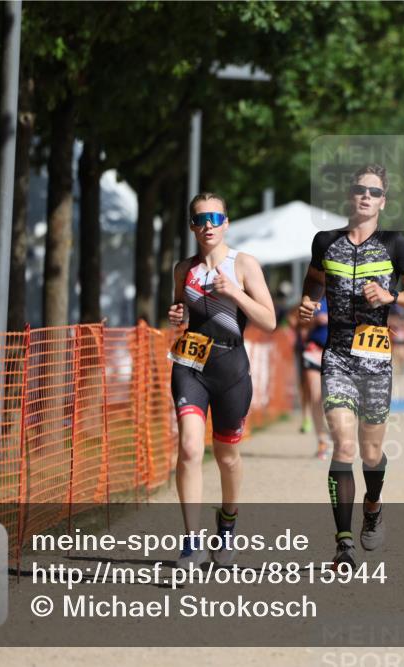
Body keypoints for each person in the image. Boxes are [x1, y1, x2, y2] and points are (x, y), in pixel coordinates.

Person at [300, 164, 404, 569]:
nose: (366, 197)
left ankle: (372, 507)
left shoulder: (394, 244)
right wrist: (308, 301)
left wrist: (392, 296)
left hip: (375, 360)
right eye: (360, 189)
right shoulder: (325, 241)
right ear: (349, 195)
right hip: (337, 356)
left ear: (383, 201)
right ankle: (343, 543)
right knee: (343, 445)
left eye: (374, 192)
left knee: (371, 453)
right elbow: (314, 280)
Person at [167, 192, 277, 567]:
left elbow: (269, 320)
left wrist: (234, 292)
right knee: (189, 448)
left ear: (226, 223)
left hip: (231, 369)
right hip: (190, 365)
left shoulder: (243, 264)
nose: (208, 226)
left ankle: (227, 523)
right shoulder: (183, 269)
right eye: (200, 219)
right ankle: (191, 543)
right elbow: (181, 312)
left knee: (227, 456)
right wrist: (177, 314)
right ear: (192, 226)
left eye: (215, 218)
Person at [301, 296, 331, 459]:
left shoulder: (350, 293)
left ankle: (339, 434)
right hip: (314, 350)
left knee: (335, 398)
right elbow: (297, 323)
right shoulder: (313, 296)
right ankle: (322, 441)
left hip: (338, 354)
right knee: (315, 396)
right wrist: (314, 321)